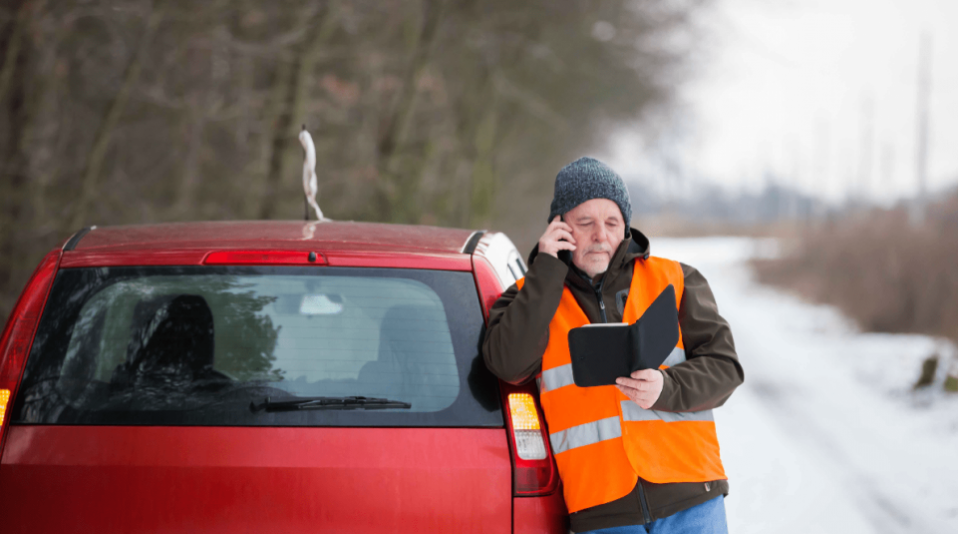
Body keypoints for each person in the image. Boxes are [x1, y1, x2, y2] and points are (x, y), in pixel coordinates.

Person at [482, 157, 743, 534]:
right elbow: (508, 364)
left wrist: (666, 387)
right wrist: (547, 271)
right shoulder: (527, 297)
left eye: (612, 223)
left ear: (626, 227)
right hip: (602, 509)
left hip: (691, 497)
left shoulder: (675, 279)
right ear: (559, 227)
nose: (600, 236)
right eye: (585, 222)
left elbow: (725, 368)